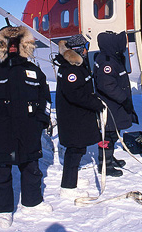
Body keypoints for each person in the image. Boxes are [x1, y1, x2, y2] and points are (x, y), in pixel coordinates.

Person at [0, 26, 53, 228]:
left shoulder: (33, 70)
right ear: (1, 44)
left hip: (28, 129)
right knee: (1, 172)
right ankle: (3, 210)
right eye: (9, 43)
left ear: (24, 45)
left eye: (18, 43)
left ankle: (32, 203)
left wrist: (41, 120)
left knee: (31, 167)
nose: (13, 48)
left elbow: (45, 98)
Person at [54, 34, 105, 199]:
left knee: (79, 147)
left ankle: (72, 178)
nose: (86, 50)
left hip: (78, 115)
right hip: (73, 117)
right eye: (85, 47)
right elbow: (75, 94)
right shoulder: (72, 69)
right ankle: (68, 187)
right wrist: (95, 103)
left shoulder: (76, 65)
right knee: (74, 150)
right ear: (77, 49)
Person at [93, 31, 138, 177]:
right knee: (108, 135)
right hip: (111, 106)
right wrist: (123, 99)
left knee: (112, 134)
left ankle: (110, 158)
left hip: (115, 105)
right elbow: (107, 85)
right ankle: (105, 165)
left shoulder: (112, 57)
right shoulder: (107, 62)